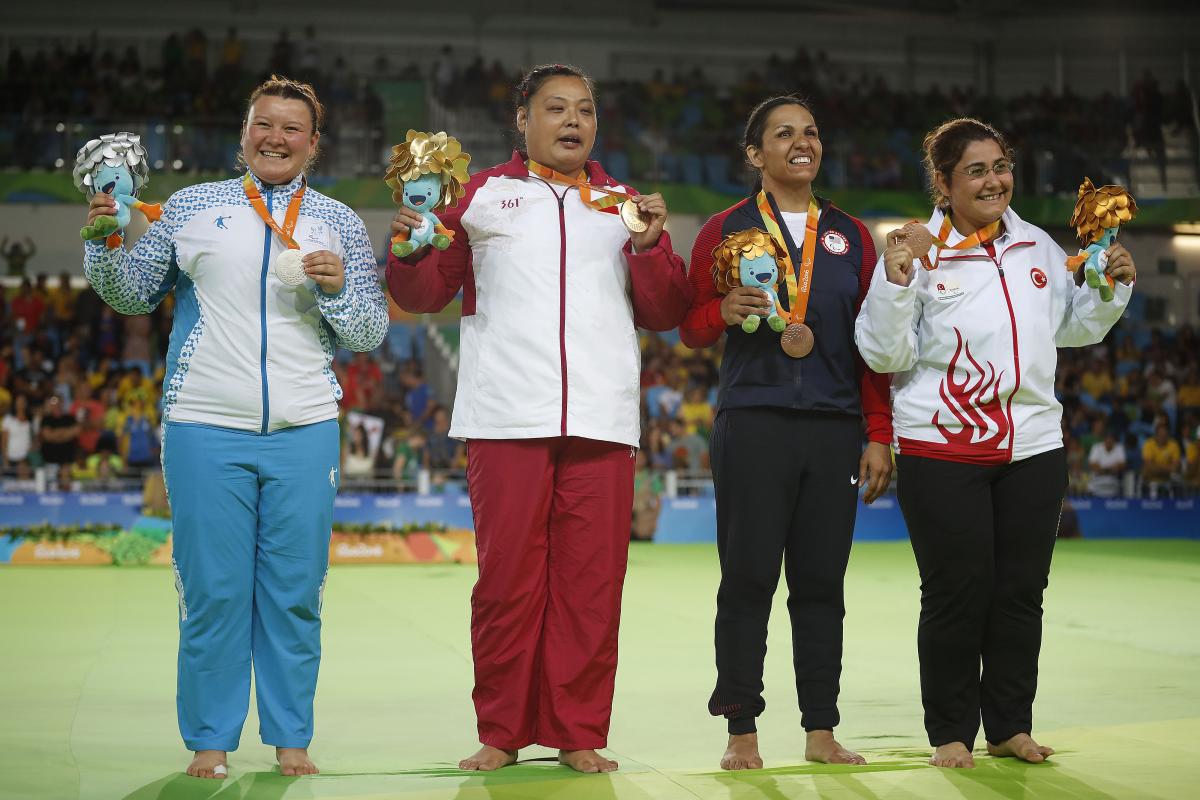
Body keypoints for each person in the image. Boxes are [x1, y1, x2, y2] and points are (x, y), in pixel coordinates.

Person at [387, 63, 691, 774]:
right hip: (503, 416)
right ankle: (501, 731)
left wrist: (650, 248)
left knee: (591, 586)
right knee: (505, 583)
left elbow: (666, 311)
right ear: (521, 120)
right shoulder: (480, 196)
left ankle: (577, 731)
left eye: (584, 109)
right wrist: (410, 249)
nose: (572, 121)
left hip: (601, 419)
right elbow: (427, 292)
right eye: (556, 108)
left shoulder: (624, 204)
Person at [82, 75, 388, 779]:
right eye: (264, 125)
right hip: (203, 423)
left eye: (292, 129)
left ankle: (291, 741)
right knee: (213, 590)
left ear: (314, 143)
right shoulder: (192, 207)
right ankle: (210, 742)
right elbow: (131, 293)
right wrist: (103, 239)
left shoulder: (338, 221)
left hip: (305, 426)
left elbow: (369, 331)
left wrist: (339, 291)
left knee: (295, 591)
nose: (275, 138)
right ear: (244, 133)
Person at [854, 117, 1136, 768]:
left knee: (1019, 593)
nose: (994, 180)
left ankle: (1010, 724)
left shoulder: (1036, 246)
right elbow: (882, 351)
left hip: (1033, 446)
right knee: (957, 591)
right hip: (940, 448)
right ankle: (950, 732)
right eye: (976, 170)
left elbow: (1072, 329)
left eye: (1001, 166)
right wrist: (896, 281)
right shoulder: (915, 249)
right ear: (945, 183)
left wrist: (1111, 285)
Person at [680, 94, 893, 771]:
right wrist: (721, 309)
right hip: (754, 422)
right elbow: (687, 327)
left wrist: (878, 431)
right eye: (783, 133)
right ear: (754, 153)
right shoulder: (725, 228)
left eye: (811, 132)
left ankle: (821, 729)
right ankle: (740, 729)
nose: (802, 143)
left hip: (834, 428)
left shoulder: (852, 236)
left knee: (822, 585)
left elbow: (872, 345)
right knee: (746, 580)